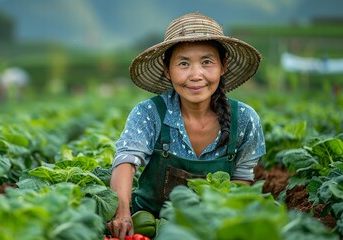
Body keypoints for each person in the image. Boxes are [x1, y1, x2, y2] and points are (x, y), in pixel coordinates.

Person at [107, 13, 266, 239]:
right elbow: (126, 162)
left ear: (223, 66)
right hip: (151, 223)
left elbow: (242, 179)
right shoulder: (149, 113)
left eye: (207, 62)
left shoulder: (246, 120)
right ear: (167, 69)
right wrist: (122, 213)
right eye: (183, 63)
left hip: (211, 226)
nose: (196, 75)